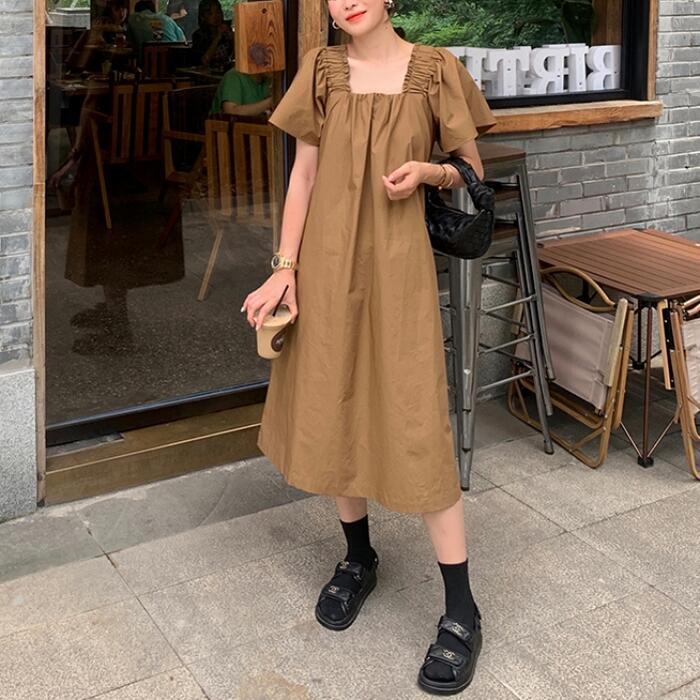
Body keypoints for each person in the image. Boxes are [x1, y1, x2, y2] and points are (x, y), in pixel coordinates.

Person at [241, 0, 497, 695]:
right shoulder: (321, 71)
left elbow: (469, 166)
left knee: (417, 423)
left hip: (399, 267)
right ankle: (359, 558)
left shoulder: (435, 70)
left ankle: (462, 608)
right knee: (337, 402)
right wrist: (284, 268)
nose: (347, 1)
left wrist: (428, 173)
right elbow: (303, 174)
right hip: (326, 267)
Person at [190, 0, 234, 69]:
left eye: (218, 12)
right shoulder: (198, 36)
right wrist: (218, 37)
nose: (216, 16)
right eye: (210, 14)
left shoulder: (227, 30)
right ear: (202, 17)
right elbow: (204, 61)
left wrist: (233, 39)